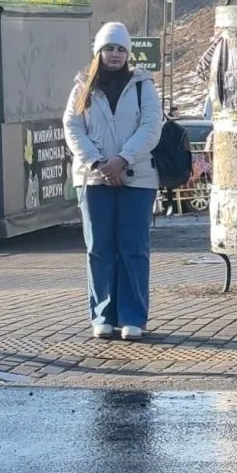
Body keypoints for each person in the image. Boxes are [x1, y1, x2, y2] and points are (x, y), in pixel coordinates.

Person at [63, 21, 163, 341]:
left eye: (121, 49)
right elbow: (72, 127)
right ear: (98, 52)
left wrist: (122, 159)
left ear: (128, 53)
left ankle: (133, 316)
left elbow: (150, 127)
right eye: (109, 48)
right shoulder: (83, 86)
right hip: (93, 179)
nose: (115, 55)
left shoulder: (142, 85)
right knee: (99, 249)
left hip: (138, 178)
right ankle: (103, 314)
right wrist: (98, 162)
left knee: (133, 248)